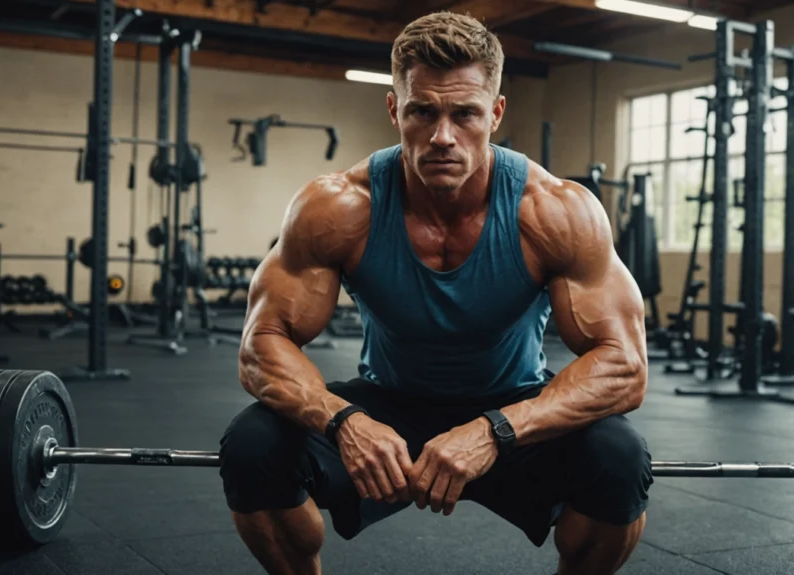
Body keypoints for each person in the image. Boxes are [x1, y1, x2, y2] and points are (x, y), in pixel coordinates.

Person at [219, 11, 652, 575]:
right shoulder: (339, 208)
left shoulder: (554, 211)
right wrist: (342, 420)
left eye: (465, 113)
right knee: (252, 444)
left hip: (513, 407)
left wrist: (498, 429)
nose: (442, 135)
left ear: (495, 114)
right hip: (385, 409)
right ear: (395, 109)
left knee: (620, 457)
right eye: (423, 110)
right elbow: (260, 346)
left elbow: (625, 366)